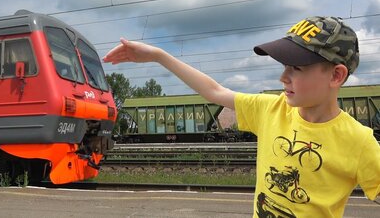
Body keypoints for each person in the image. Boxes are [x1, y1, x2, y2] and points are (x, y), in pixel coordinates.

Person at [103, 16, 380, 217]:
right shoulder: (271, 109)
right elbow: (214, 91)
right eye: (285, 66)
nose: (283, 77)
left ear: (336, 75)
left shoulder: (359, 141)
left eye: (296, 67)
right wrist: (159, 56)